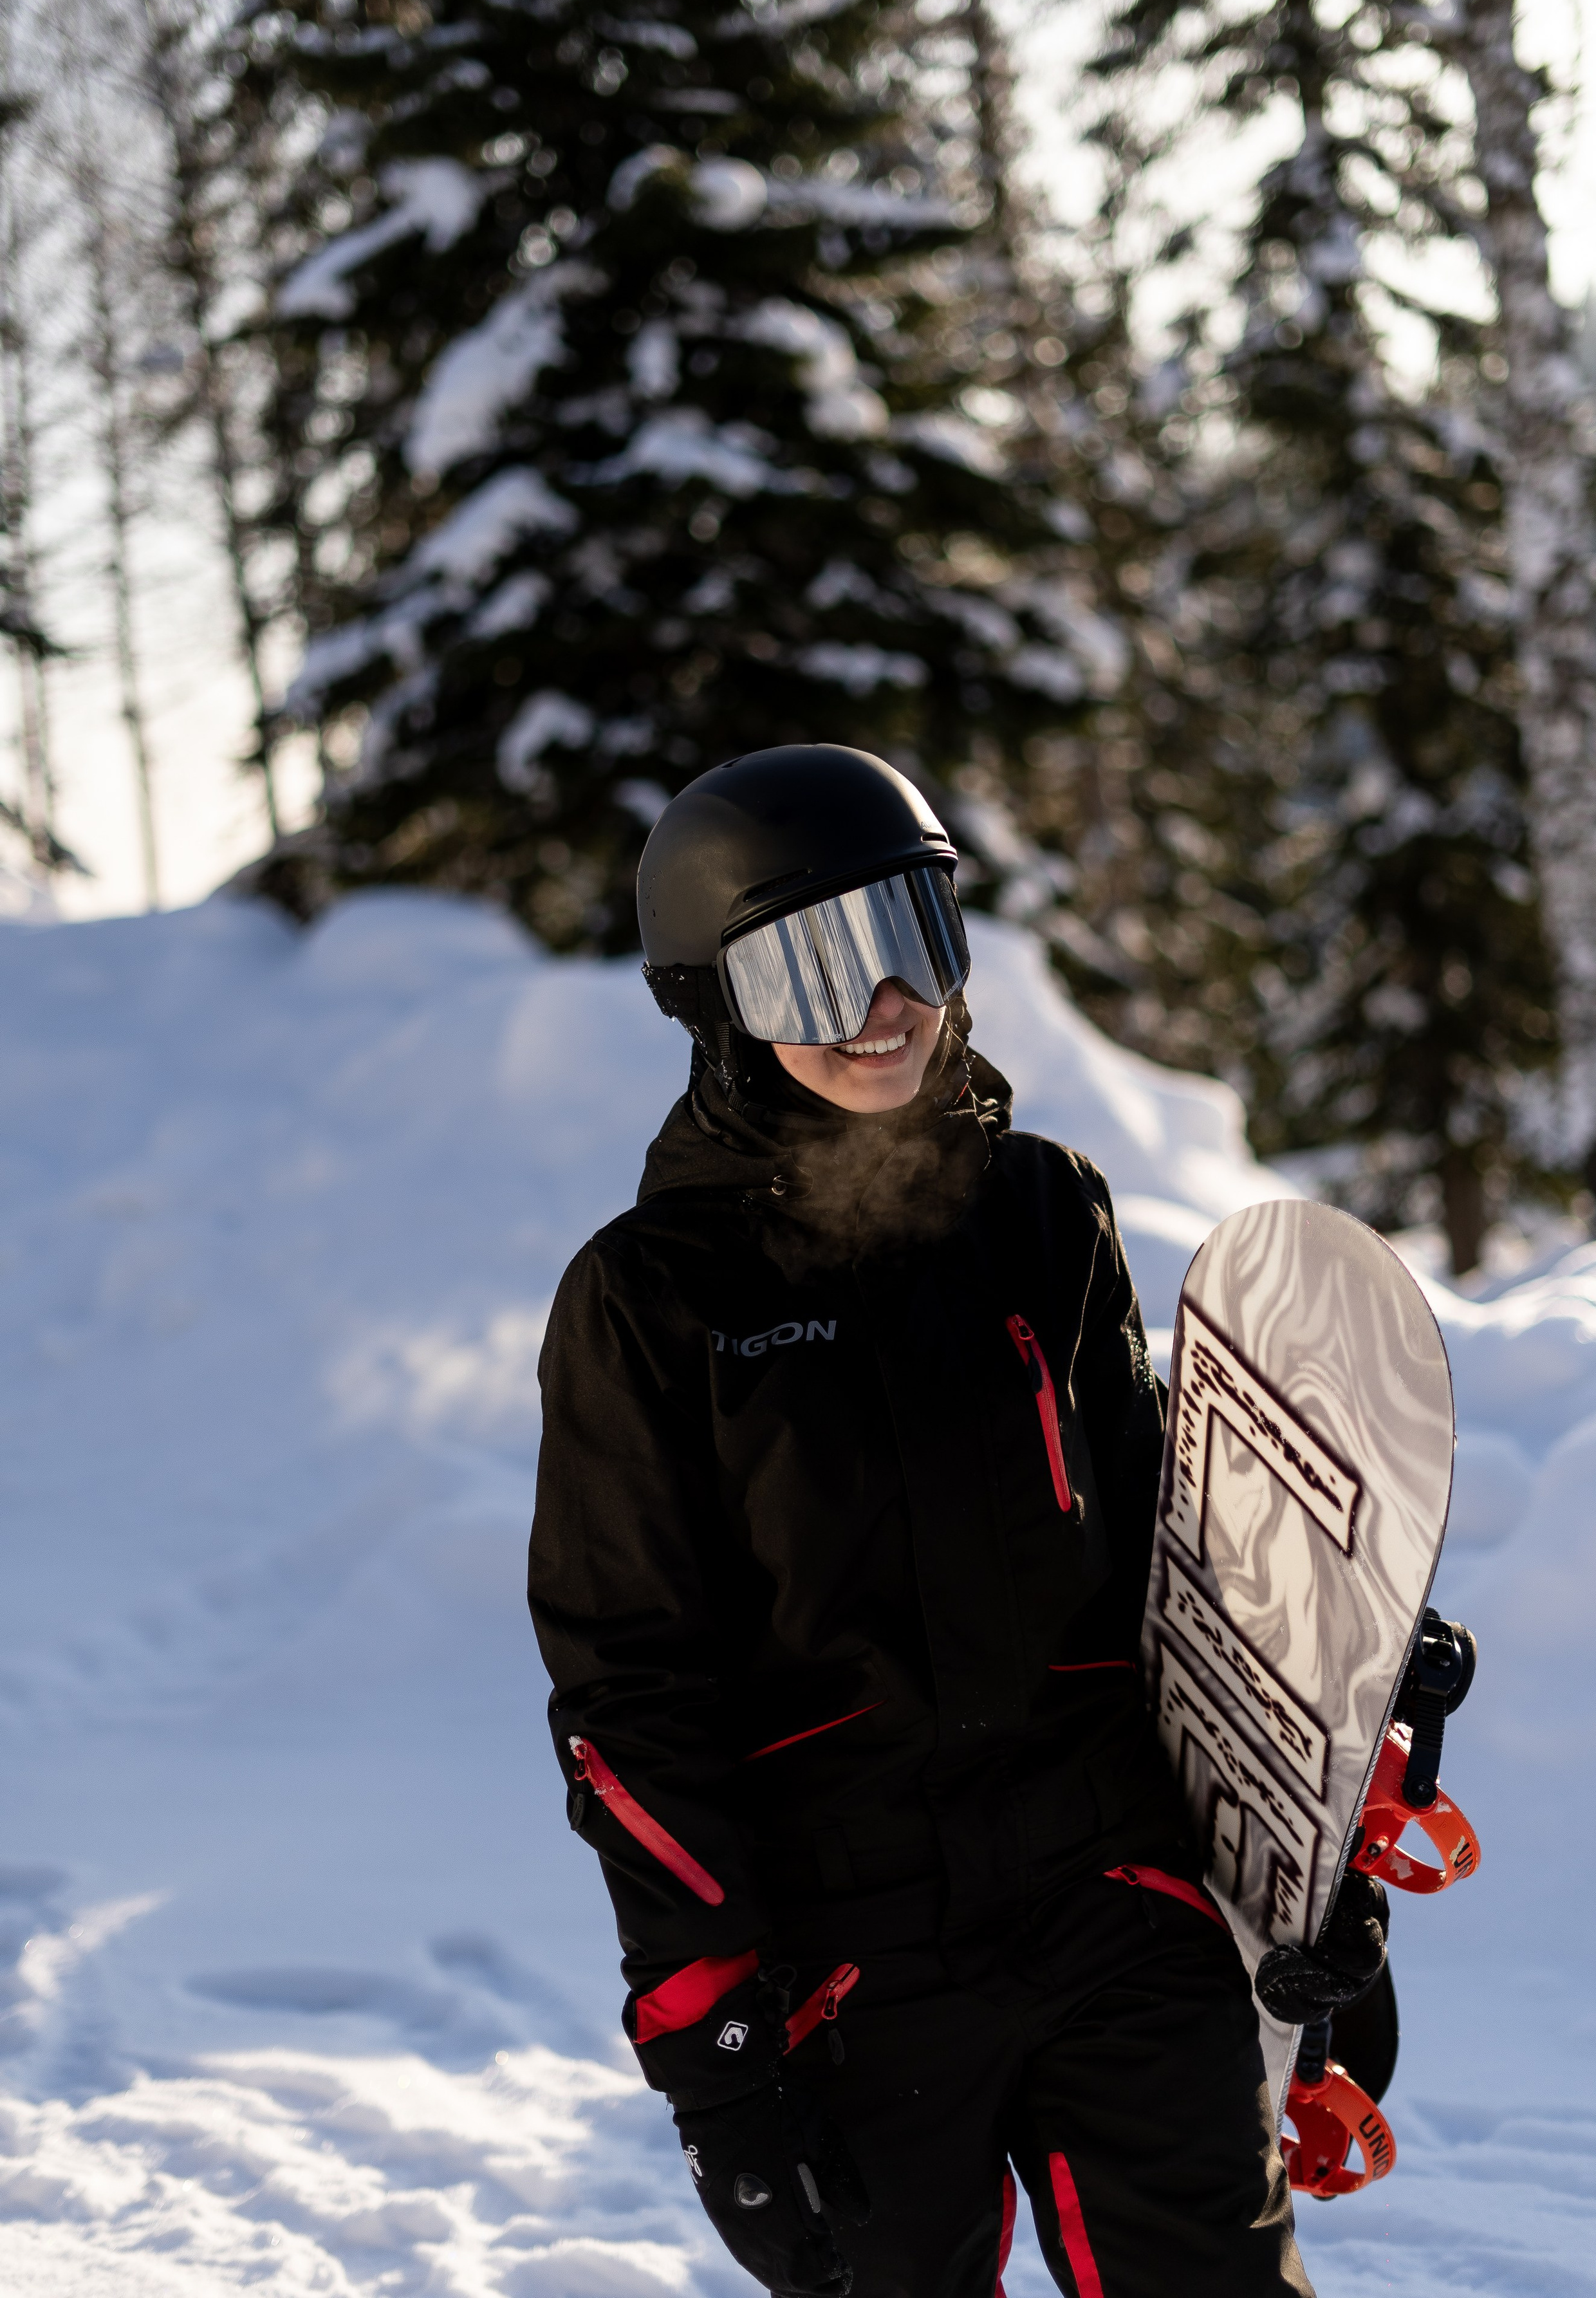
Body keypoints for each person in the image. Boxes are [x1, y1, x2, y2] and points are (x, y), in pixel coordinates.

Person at [528, 746, 1377, 2297]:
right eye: (812, 963)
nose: (881, 1006)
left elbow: (1168, 1560)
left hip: (1107, 1892)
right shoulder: (650, 1303)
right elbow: (627, 1696)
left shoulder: (1041, 1213)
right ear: (718, 1004)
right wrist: (716, 2049)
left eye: (910, 937)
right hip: (840, 1962)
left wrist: (1320, 1836)